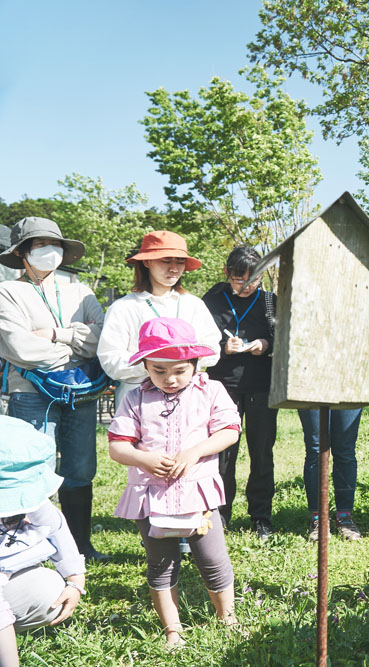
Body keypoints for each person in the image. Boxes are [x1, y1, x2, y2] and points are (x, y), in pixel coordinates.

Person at [107, 318, 240, 647]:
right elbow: (117, 446)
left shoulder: (211, 391)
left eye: (180, 370)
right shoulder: (136, 398)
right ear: (146, 367)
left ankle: (228, 620)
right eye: (159, 370)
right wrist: (145, 459)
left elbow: (229, 430)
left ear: (195, 364)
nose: (170, 378)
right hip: (151, 497)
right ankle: (172, 630)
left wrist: (195, 452)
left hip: (198, 492)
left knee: (213, 559)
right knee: (161, 564)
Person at [0, 217, 108, 562]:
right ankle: (35, 549)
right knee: (32, 467)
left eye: (55, 244)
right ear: (22, 253)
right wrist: (75, 341)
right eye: (39, 245)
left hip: (81, 393)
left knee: (81, 467)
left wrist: (52, 334)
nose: (49, 251)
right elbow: (21, 350)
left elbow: (101, 338)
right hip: (31, 393)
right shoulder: (8, 292)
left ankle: (81, 545)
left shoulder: (81, 290)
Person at [202, 247, 278, 541]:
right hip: (222, 387)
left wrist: (265, 344)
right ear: (227, 273)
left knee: (261, 453)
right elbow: (199, 341)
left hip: (261, 385)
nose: (246, 287)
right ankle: (221, 513)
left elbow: (280, 336)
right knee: (223, 454)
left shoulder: (269, 300)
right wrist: (222, 349)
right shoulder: (212, 300)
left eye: (253, 280)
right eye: (239, 279)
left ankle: (261, 517)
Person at [98, 230, 221, 406]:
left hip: (188, 401)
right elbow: (110, 360)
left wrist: (184, 364)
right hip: (137, 402)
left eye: (180, 261)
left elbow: (213, 349)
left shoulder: (193, 304)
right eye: (166, 260)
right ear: (147, 262)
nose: (174, 268)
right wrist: (154, 366)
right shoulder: (124, 307)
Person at [0, 416, 86, 667]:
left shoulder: (31, 497)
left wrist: (75, 580)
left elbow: (56, 527)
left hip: (8, 567)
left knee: (49, 589)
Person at [298, 408, 364, 541]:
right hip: (311, 389)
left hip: (349, 389)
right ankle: (318, 518)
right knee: (316, 450)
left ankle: (345, 517)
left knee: (345, 451)